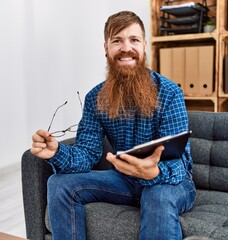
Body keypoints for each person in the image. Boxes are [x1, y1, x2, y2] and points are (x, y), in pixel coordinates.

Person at [31, 10, 196, 240]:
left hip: (170, 182)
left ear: (144, 46)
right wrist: (57, 151)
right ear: (106, 48)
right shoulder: (95, 98)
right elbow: (87, 154)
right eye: (117, 40)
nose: (126, 48)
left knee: (156, 195)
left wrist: (154, 172)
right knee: (59, 183)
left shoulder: (169, 93)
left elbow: (181, 164)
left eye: (134, 40)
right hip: (124, 179)